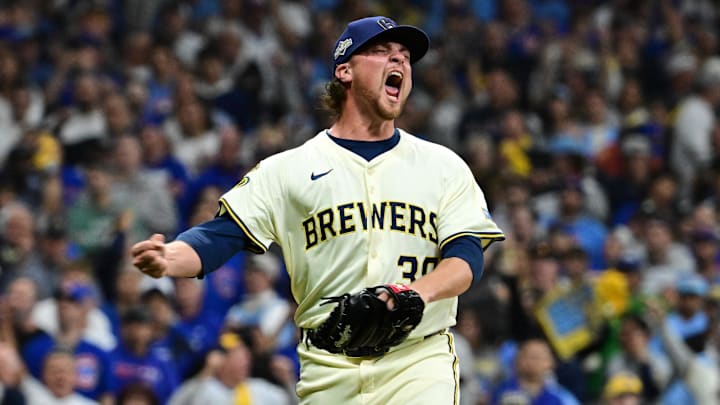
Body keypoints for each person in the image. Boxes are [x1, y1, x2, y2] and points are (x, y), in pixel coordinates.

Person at [132, 15, 504, 404]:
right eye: (382, 52)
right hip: (329, 369)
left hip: (418, 360)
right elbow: (219, 236)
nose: (399, 63)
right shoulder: (288, 169)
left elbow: (466, 256)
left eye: (405, 57)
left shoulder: (442, 165)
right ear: (344, 70)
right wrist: (169, 257)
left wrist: (413, 295)